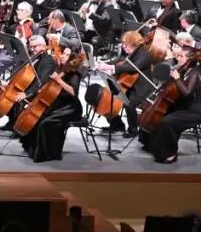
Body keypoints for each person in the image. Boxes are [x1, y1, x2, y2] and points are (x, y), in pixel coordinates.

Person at [19, 34, 82, 163]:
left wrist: (59, 80)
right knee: (39, 117)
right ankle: (32, 148)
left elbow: (73, 92)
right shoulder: (61, 67)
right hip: (60, 103)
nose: (62, 56)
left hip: (70, 107)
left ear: (71, 57)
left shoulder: (74, 71)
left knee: (45, 122)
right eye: (62, 54)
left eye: (66, 55)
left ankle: (50, 153)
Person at [141, 41, 201, 164]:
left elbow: (187, 92)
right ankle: (151, 145)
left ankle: (171, 153)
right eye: (178, 55)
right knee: (158, 115)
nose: (178, 58)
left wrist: (177, 78)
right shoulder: (184, 69)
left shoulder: (194, 73)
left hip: (194, 111)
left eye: (181, 56)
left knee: (167, 121)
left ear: (189, 59)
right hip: (182, 105)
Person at [90, 30, 156, 136]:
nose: (123, 46)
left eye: (126, 44)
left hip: (142, 87)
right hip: (128, 83)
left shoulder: (145, 54)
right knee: (109, 99)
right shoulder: (131, 53)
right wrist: (103, 65)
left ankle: (133, 130)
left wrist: (110, 67)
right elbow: (120, 62)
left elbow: (134, 67)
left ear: (134, 43)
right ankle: (117, 125)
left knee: (129, 104)